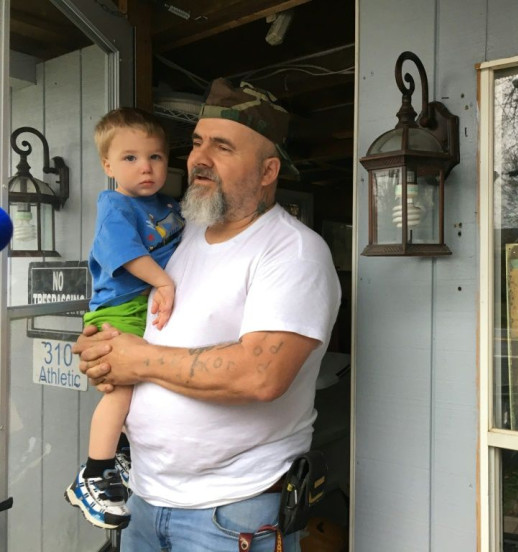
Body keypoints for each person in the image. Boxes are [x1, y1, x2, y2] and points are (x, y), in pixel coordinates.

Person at [73, 78, 341, 552]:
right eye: (197, 143)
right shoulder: (183, 235)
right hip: (145, 497)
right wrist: (101, 348)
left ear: (267, 170)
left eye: (222, 147)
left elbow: (261, 374)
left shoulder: (293, 251)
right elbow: (139, 319)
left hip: (232, 512)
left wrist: (135, 360)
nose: (199, 157)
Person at [65, 107, 185, 530]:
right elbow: (128, 255)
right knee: (120, 387)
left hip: (142, 302)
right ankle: (93, 472)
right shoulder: (114, 205)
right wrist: (165, 284)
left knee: (141, 386)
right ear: (108, 165)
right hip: (120, 305)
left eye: (155, 157)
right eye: (131, 158)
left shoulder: (168, 205)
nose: (146, 167)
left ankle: (119, 451)